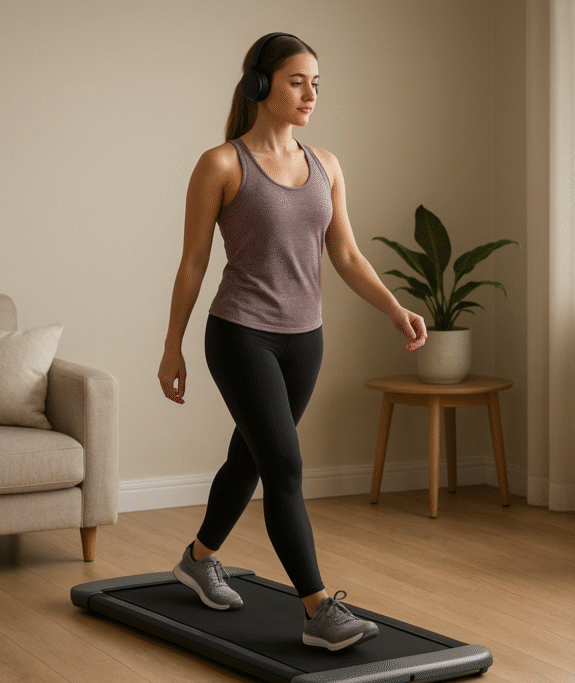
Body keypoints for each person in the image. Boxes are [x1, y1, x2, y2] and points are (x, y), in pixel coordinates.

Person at [158, 33, 427, 651]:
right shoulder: (222, 164)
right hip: (241, 334)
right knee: (284, 465)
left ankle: (199, 558)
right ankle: (316, 609)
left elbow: (347, 253)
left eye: (316, 84)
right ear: (260, 85)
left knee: (251, 457)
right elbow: (193, 262)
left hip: (304, 340)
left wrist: (394, 308)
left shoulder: (326, 164)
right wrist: (172, 346)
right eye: (296, 81)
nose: (310, 94)